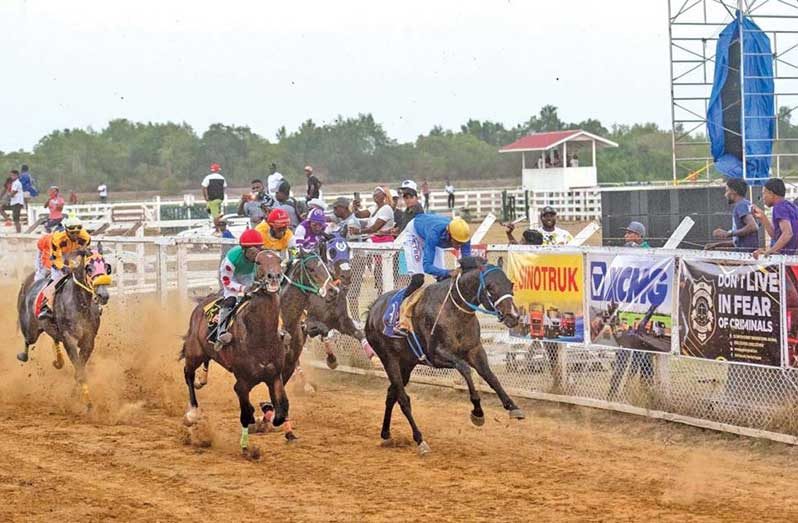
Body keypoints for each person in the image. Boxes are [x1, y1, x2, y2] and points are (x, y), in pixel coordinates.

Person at [395, 214, 472, 334]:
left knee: (443, 280)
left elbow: (467, 262)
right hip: (415, 234)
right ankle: (399, 318)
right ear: (449, 235)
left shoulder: (464, 237)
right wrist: (449, 272)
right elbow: (427, 267)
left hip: (433, 236)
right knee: (418, 280)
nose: (459, 246)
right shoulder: (434, 233)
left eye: (462, 243)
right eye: (457, 242)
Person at [37, 214, 91, 320]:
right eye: (72, 233)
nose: (75, 236)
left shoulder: (85, 237)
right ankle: (46, 307)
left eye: (77, 233)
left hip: (75, 261)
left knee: (89, 280)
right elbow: (55, 258)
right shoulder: (57, 238)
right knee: (55, 283)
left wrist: (78, 262)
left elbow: (85, 252)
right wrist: (63, 267)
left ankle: (95, 304)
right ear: (66, 230)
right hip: (60, 262)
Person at [216, 229, 264, 346]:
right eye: (252, 252)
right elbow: (226, 282)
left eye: (257, 251)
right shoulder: (231, 259)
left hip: (247, 275)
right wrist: (243, 289)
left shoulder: (262, 256)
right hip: (231, 277)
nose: (255, 255)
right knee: (231, 300)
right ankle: (221, 332)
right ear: (244, 250)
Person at [706, 178, 759, 253]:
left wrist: (728, 233)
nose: (725, 195)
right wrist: (717, 245)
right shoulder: (746, 204)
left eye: (727, 190)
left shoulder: (741, 205)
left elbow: (753, 227)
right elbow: (738, 241)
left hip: (746, 255)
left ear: (734, 191)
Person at [753, 178, 798, 258]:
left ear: (771, 194)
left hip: (786, 260)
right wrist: (763, 218)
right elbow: (777, 236)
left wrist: (769, 252)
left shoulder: (778, 207)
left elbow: (788, 233)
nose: (763, 198)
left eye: (764, 193)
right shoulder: (791, 206)